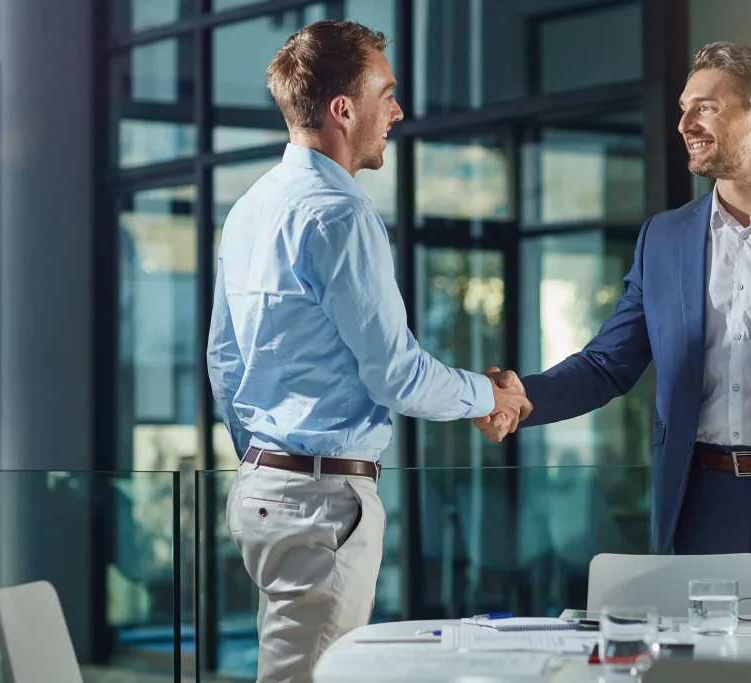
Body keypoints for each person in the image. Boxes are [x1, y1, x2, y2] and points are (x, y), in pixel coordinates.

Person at [475, 42, 751, 617]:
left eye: (706, 108)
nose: (685, 124)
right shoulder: (663, 238)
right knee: (704, 662)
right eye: (684, 108)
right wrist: (519, 399)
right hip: (699, 506)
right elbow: (607, 363)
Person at [207, 20, 531, 683]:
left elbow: (224, 360)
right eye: (386, 93)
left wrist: (267, 461)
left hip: (265, 490)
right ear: (343, 109)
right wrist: (487, 396)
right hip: (320, 500)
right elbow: (397, 375)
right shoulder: (340, 214)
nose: (398, 111)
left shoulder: (251, 208)